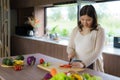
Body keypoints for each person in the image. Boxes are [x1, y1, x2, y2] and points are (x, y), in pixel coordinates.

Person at [67, 5, 105, 72]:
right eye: (82, 19)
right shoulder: (76, 30)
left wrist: (83, 63)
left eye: (88, 20)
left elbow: (97, 52)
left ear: (94, 18)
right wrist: (70, 52)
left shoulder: (99, 31)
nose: (85, 22)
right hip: (76, 62)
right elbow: (70, 47)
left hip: (92, 64)